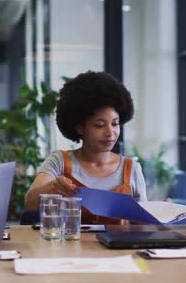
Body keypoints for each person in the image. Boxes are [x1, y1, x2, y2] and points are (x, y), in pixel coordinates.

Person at [24, 71, 147, 224]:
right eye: (99, 125)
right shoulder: (60, 162)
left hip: (118, 248)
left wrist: (161, 214)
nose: (110, 133)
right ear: (80, 127)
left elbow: (142, 226)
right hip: (68, 247)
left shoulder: (131, 169)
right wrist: (52, 187)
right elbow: (30, 202)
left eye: (115, 124)